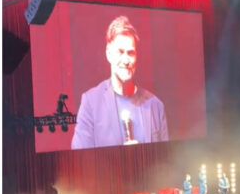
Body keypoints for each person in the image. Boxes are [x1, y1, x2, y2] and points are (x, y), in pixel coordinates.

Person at [71, 16, 168, 149]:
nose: (126, 60)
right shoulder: (91, 103)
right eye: (120, 52)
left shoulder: (155, 105)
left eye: (130, 53)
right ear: (108, 54)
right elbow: (79, 159)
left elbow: (166, 158)